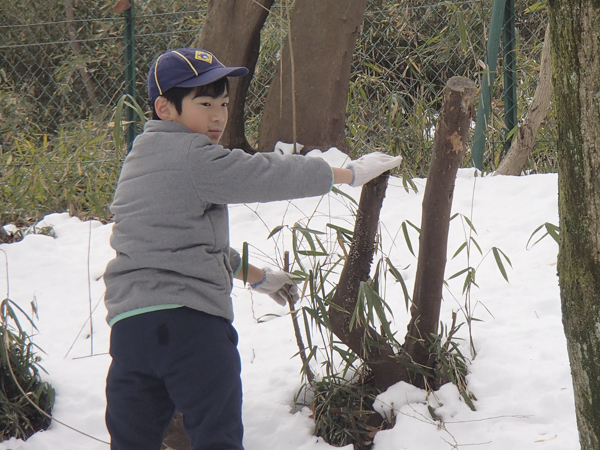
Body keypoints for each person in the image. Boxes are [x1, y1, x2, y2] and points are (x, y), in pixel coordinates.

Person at [103, 47, 402, 450]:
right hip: (192, 328)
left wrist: (258, 278)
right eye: (205, 102)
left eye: (224, 103)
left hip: (131, 333)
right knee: (216, 437)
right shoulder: (195, 155)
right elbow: (265, 174)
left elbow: (179, 246)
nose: (218, 116)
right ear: (165, 107)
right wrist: (347, 174)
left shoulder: (137, 161)